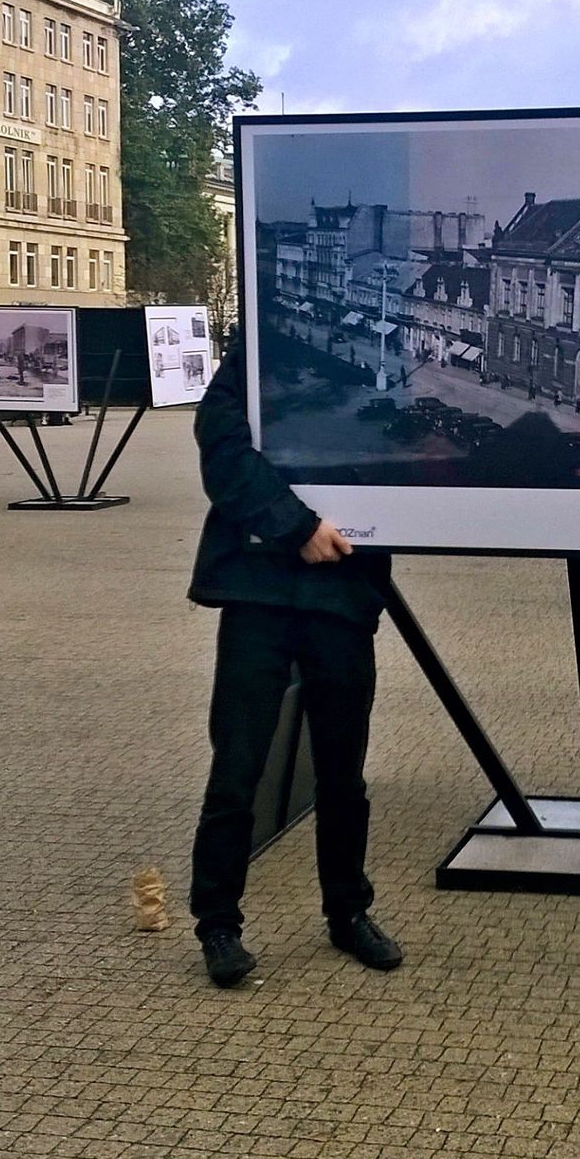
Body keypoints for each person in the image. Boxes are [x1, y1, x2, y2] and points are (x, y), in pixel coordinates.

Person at [187, 336, 402, 988]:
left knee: (344, 772)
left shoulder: (353, 364)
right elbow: (223, 453)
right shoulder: (252, 354)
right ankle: (218, 924)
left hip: (340, 592)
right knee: (238, 766)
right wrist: (298, 526)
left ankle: (347, 912)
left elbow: (390, 450)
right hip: (259, 591)